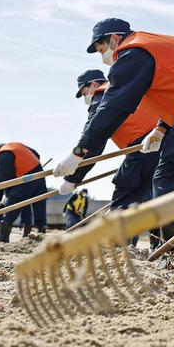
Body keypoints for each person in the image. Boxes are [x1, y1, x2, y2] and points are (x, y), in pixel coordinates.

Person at [52, 19, 174, 267]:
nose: (103, 57)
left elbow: (115, 107)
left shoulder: (133, 53)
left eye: (102, 49)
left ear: (113, 38)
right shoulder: (158, 42)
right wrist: (160, 128)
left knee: (167, 184)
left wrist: (78, 152)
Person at [59, 69, 162, 248]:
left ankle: (117, 249)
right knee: (153, 198)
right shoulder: (124, 89)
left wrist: (72, 179)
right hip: (162, 139)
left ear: (94, 85)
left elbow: (92, 143)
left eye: (84, 93)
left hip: (143, 146)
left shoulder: (102, 96)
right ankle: (157, 250)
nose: (86, 99)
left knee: (125, 193)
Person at [0, 139, 48, 242]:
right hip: (38, 174)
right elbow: (36, 154)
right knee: (39, 203)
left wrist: (7, 195)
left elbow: (8, 178)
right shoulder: (14, 145)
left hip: (26, 178)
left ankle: (4, 236)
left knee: (13, 203)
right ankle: (41, 234)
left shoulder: (3, 154)